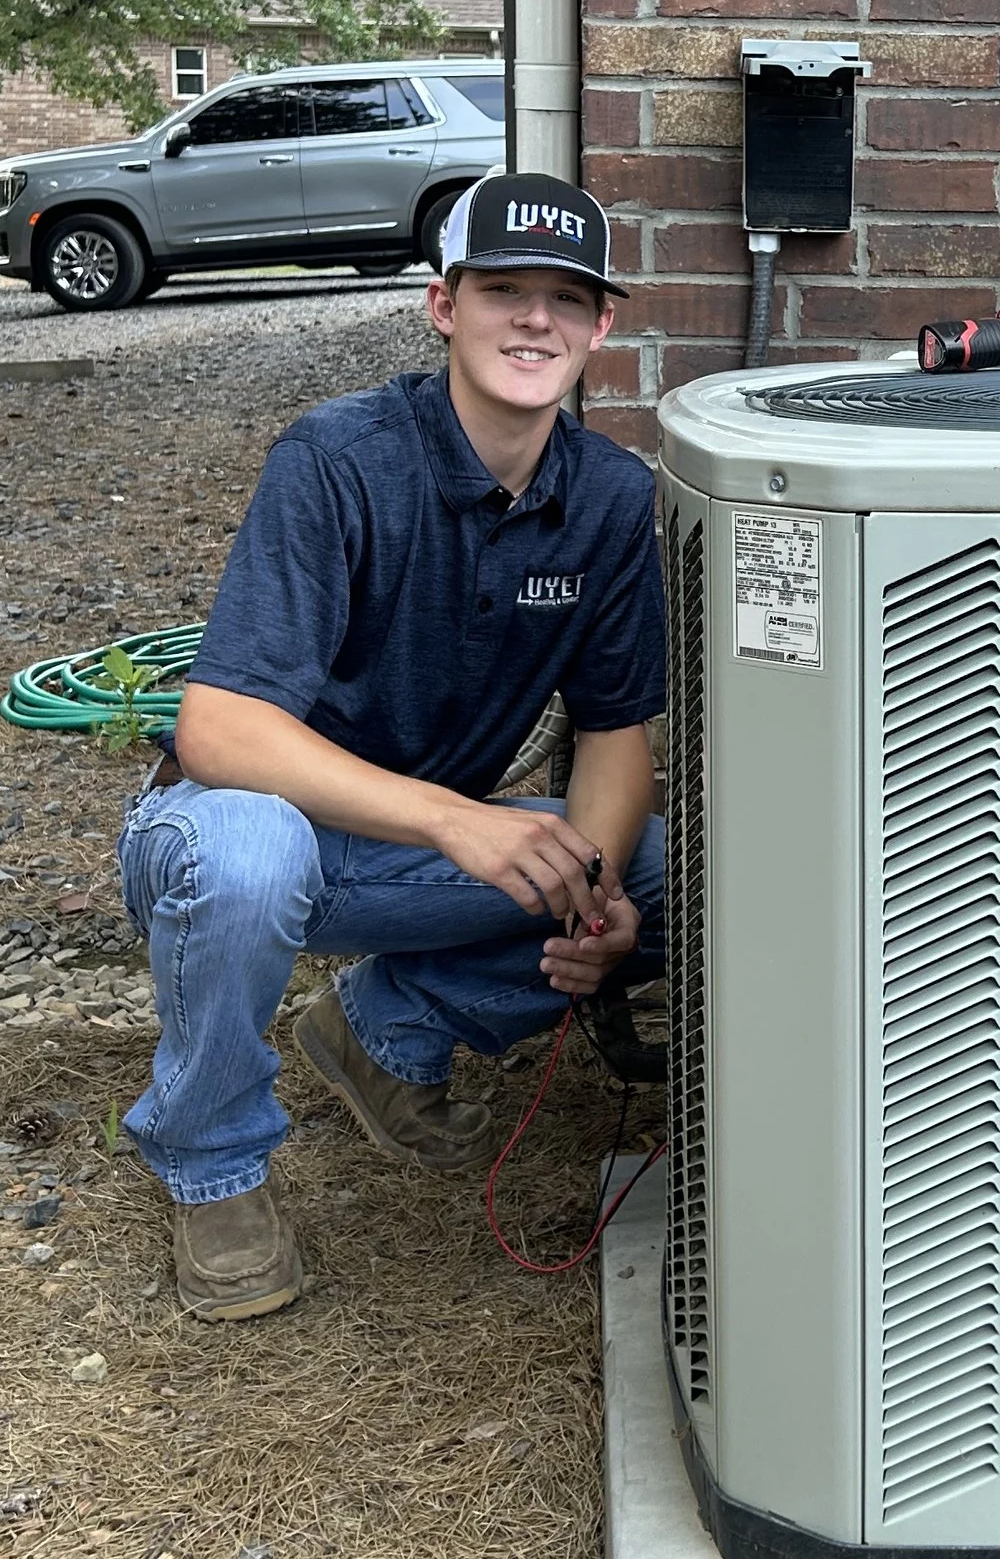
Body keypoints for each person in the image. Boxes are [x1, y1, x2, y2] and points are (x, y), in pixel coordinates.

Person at [115, 172, 668, 1322]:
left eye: (566, 299)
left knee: (668, 871)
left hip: (401, 863)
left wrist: (597, 897)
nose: (535, 320)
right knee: (254, 854)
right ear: (443, 306)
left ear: (602, 325)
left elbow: (617, 731)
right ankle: (212, 1162)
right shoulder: (340, 459)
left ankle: (383, 1033)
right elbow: (219, 730)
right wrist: (456, 819)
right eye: (503, 290)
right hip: (229, 827)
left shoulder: (612, 501)